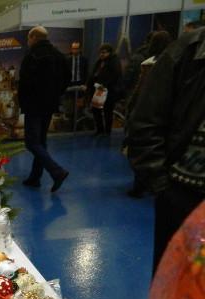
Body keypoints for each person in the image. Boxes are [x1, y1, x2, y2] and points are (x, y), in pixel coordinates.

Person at [128, 27, 205, 273]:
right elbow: (145, 120)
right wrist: (162, 185)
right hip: (184, 195)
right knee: (175, 279)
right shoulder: (186, 52)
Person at [18, 26, 71, 193]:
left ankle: (57, 171)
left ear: (33, 37)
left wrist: (23, 102)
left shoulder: (32, 56)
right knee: (41, 141)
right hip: (49, 105)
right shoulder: (59, 55)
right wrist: (55, 95)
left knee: (31, 142)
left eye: (28, 38)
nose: (28, 42)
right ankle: (35, 177)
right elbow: (67, 79)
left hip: (33, 105)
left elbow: (24, 82)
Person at [125, 31, 173, 198]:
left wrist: (131, 107)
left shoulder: (148, 64)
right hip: (167, 112)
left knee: (141, 146)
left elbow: (140, 89)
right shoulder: (175, 63)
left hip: (147, 111)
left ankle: (140, 185)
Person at [86, 43, 122, 137]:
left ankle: (107, 131)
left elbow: (115, 76)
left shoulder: (114, 62)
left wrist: (105, 84)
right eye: (100, 52)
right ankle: (100, 129)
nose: (101, 54)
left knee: (108, 111)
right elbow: (93, 74)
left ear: (109, 52)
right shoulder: (100, 61)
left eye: (104, 52)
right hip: (98, 89)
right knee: (96, 110)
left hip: (109, 91)